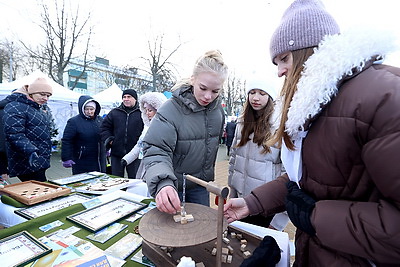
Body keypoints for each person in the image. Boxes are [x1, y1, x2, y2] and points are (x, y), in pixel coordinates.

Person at [224, 0, 400, 265]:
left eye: (284, 58)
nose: (279, 70)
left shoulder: (383, 98)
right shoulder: (317, 106)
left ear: (310, 51)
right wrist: (253, 203)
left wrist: (315, 216)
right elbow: (306, 184)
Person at [142, 50, 228, 214]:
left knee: (201, 232)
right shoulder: (170, 109)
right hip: (170, 187)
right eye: (203, 88)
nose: (208, 96)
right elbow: (156, 149)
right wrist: (163, 182)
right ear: (193, 79)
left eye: (215, 91)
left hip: (199, 187)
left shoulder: (218, 112)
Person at [228, 79, 289, 231]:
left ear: (270, 96)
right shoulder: (242, 123)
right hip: (240, 201)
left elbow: (288, 173)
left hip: (265, 206)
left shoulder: (280, 126)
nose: (255, 98)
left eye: (262, 93)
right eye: (252, 92)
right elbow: (234, 159)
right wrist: (232, 192)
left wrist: (279, 221)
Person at [3, 77, 53, 182]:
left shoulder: (35, 107)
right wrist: (31, 151)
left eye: (48, 95)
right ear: (31, 93)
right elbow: (14, 133)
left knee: (41, 188)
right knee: (39, 191)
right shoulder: (15, 106)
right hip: (26, 160)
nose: (46, 98)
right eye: (42, 94)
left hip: (38, 159)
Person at [121, 92, 167, 178]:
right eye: (145, 110)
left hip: (157, 167)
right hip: (144, 164)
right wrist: (127, 159)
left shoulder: (164, 128)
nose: (147, 113)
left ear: (158, 111)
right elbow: (139, 145)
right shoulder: (147, 127)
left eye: (150, 110)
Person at [100, 89, 144, 178]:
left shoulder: (142, 113)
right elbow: (104, 128)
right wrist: (110, 140)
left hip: (134, 154)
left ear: (135, 99)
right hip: (117, 153)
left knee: (135, 180)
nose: (126, 99)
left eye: (129, 97)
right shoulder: (114, 112)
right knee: (116, 180)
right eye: (124, 97)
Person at [61, 95, 106, 175]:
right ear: (82, 109)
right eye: (86, 109)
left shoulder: (100, 120)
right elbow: (67, 140)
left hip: (99, 159)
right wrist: (66, 158)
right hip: (82, 159)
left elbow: (105, 134)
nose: (89, 112)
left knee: (100, 183)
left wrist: (107, 148)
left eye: (92, 109)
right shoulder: (74, 122)